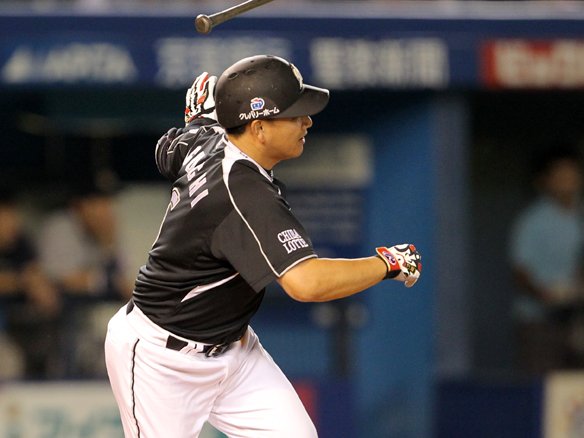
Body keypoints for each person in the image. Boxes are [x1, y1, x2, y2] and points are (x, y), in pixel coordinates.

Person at [104, 55, 422, 438]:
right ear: (258, 128)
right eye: (294, 114)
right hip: (161, 360)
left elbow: (168, 149)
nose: (307, 121)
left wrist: (198, 122)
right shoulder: (245, 192)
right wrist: (387, 262)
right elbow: (306, 283)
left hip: (236, 355)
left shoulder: (209, 139)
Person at [38, 174, 133, 377]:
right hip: (52, 326)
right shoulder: (60, 227)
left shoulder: (108, 231)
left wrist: (108, 244)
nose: (106, 209)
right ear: (80, 205)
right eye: (99, 202)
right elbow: (60, 280)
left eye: (108, 202)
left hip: (91, 325)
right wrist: (104, 281)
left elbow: (126, 285)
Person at [510, 146, 584, 375]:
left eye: (571, 173)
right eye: (560, 175)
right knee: (543, 386)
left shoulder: (580, 214)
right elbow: (520, 271)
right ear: (544, 181)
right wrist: (545, 295)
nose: (568, 181)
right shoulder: (532, 221)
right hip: (540, 322)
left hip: (577, 319)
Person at [0, 189, 61, 379]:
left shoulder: (20, 243)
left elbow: (38, 282)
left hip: (16, 329)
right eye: (7, 216)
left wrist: (34, 283)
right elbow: (25, 279)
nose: (14, 223)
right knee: (7, 362)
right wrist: (21, 281)